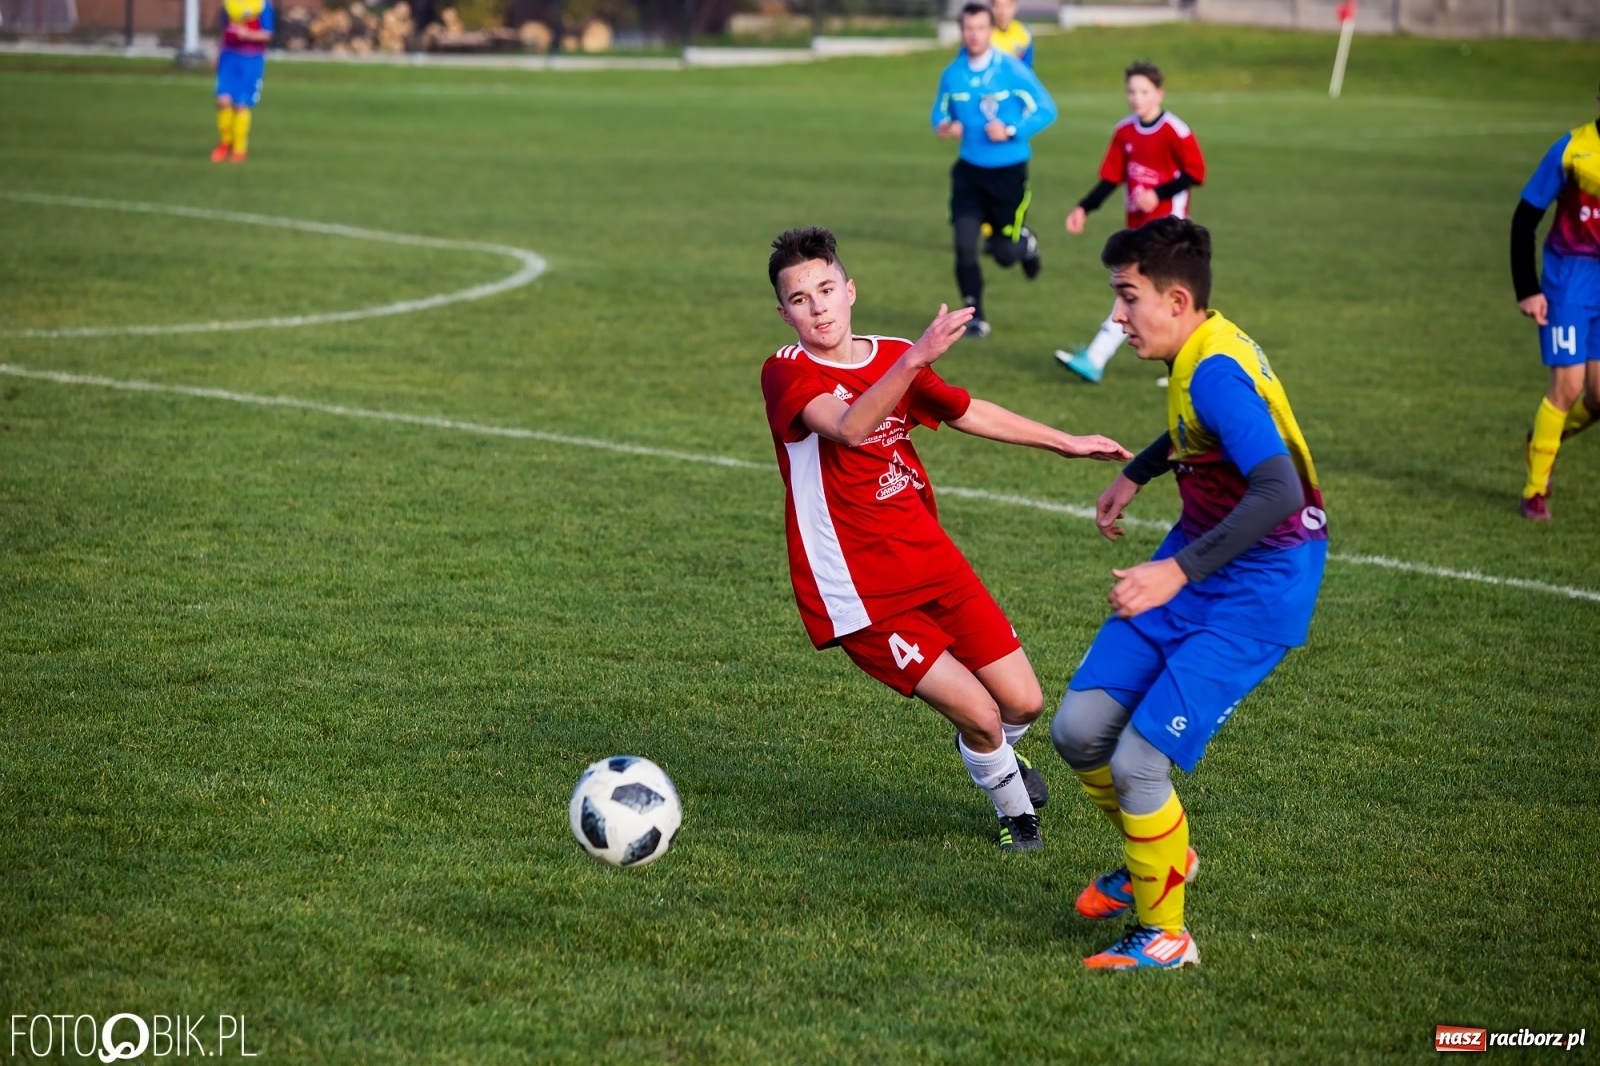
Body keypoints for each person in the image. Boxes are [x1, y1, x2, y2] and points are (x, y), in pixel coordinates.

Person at [761, 227, 1129, 850]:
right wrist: (913, 362)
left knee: (1022, 703)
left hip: (930, 559)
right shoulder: (785, 371)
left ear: (850, 291)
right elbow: (848, 427)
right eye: (800, 299)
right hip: (859, 587)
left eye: (826, 289)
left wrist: (1064, 442)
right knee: (982, 714)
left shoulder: (892, 353)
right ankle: (1018, 819)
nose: (817, 307)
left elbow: (963, 410)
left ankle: (992, 754)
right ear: (784, 313)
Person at [1049, 217, 1326, 968]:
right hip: (1203, 555)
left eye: (1127, 297)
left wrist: (1175, 572)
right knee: (1078, 731)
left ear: (1175, 300)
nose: (1117, 316)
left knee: (1138, 762)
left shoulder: (1214, 371)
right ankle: (1165, 854)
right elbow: (1197, 434)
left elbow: (1279, 489)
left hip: (1259, 585)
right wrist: (1137, 472)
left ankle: (1166, 937)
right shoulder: (1198, 349)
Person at [1055, 62, 1206, 384]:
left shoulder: (1175, 130)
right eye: (1131, 91)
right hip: (1138, 229)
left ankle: (1096, 357)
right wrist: (1084, 207)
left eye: (1144, 91)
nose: (1137, 98)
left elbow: (1196, 173)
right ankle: (1187, 365)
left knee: (1137, 290)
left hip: (1169, 229)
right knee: (1156, 295)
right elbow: (1111, 178)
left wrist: (1158, 193)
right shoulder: (1124, 131)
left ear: (1159, 94)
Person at [931, 3, 1056, 340]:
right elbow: (939, 112)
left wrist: (1012, 130)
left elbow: (1046, 109)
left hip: (1008, 173)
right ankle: (975, 316)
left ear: (990, 31)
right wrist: (946, 125)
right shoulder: (952, 74)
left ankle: (1025, 243)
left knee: (1003, 254)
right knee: (964, 244)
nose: (974, 34)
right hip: (969, 173)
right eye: (968, 28)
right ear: (961, 31)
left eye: (980, 28)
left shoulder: (1011, 69)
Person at [1511, 85, 1600, 521]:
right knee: (1567, 387)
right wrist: (1527, 288)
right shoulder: (1571, 150)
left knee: (1598, 398)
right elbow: (1524, 218)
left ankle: (1544, 439)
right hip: (1569, 280)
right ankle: (1534, 492)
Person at [211, 0, 275, 164]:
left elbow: (267, 34)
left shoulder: (262, 5)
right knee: (223, 100)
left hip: (251, 59)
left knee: (241, 104)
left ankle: (240, 149)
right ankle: (225, 143)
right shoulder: (229, 4)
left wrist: (247, 34)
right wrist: (218, 54)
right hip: (229, 56)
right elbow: (225, 30)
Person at [989, 0, 1034, 68]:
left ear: (1015, 6)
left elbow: (1027, 68)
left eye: (1007, 6)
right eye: (997, 6)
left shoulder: (1024, 33)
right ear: (990, 7)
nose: (1002, 11)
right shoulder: (983, 34)